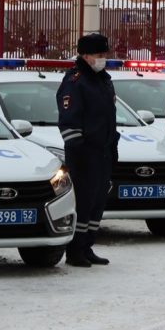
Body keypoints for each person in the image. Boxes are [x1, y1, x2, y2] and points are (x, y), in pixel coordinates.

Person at [57, 33, 119, 268]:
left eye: (105, 55)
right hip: (84, 153)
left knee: (97, 202)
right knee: (83, 202)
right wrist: (79, 152)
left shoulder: (103, 80)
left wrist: (112, 146)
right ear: (85, 55)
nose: (103, 59)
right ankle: (75, 250)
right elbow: (69, 121)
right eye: (98, 55)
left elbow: (109, 118)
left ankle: (87, 245)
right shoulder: (75, 81)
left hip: (103, 151)